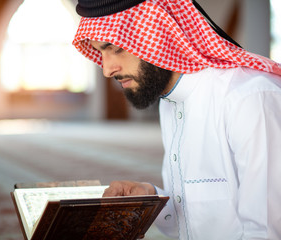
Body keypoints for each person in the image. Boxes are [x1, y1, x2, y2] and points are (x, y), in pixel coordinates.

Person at [72, 0, 281, 239]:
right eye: (101, 52)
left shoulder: (249, 99)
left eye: (116, 48)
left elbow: (267, 233)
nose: (107, 69)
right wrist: (150, 196)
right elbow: (190, 223)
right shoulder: (170, 101)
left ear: (159, 34)